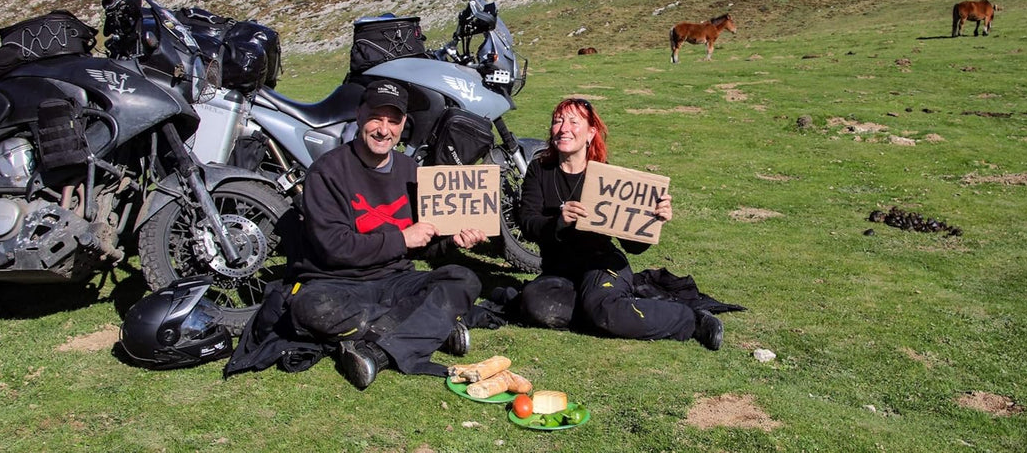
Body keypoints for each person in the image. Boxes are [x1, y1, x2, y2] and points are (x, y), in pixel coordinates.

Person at [287, 79, 489, 389]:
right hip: (340, 282)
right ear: (359, 117)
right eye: (376, 118)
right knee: (309, 306)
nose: (384, 129)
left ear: (404, 124)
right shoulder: (326, 171)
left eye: (393, 121)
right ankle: (429, 327)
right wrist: (401, 239)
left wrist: (451, 240)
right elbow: (333, 248)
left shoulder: (411, 171)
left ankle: (376, 351)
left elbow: (423, 246)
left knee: (464, 279)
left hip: (395, 281)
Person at [514, 97, 725, 349]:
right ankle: (607, 311)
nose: (563, 128)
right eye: (558, 121)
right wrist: (558, 222)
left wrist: (652, 220)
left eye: (573, 121)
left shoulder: (608, 178)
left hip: (603, 265)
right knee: (534, 303)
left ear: (591, 132)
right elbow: (528, 224)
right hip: (558, 270)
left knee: (601, 307)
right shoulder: (539, 171)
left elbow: (633, 247)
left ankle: (690, 319)